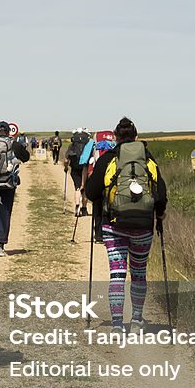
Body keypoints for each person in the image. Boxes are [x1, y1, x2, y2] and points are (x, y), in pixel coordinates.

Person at [84, 117, 167, 329]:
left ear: (116, 138)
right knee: (139, 273)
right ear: (137, 137)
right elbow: (161, 193)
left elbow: (92, 192)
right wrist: (160, 215)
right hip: (143, 226)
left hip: (113, 225)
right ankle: (138, 320)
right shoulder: (148, 160)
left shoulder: (108, 159)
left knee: (117, 274)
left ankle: (118, 325)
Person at [0, 121, 30, 256]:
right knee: (6, 211)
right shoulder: (13, 143)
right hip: (8, 183)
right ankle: (1, 245)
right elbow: (26, 157)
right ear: (8, 132)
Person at [64, 128, 91, 216]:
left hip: (75, 169)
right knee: (85, 189)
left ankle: (77, 207)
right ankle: (84, 209)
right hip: (85, 168)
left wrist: (66, 167)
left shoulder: (71, 146)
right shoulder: (88, 146)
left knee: (77, 188)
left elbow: (66, 159)